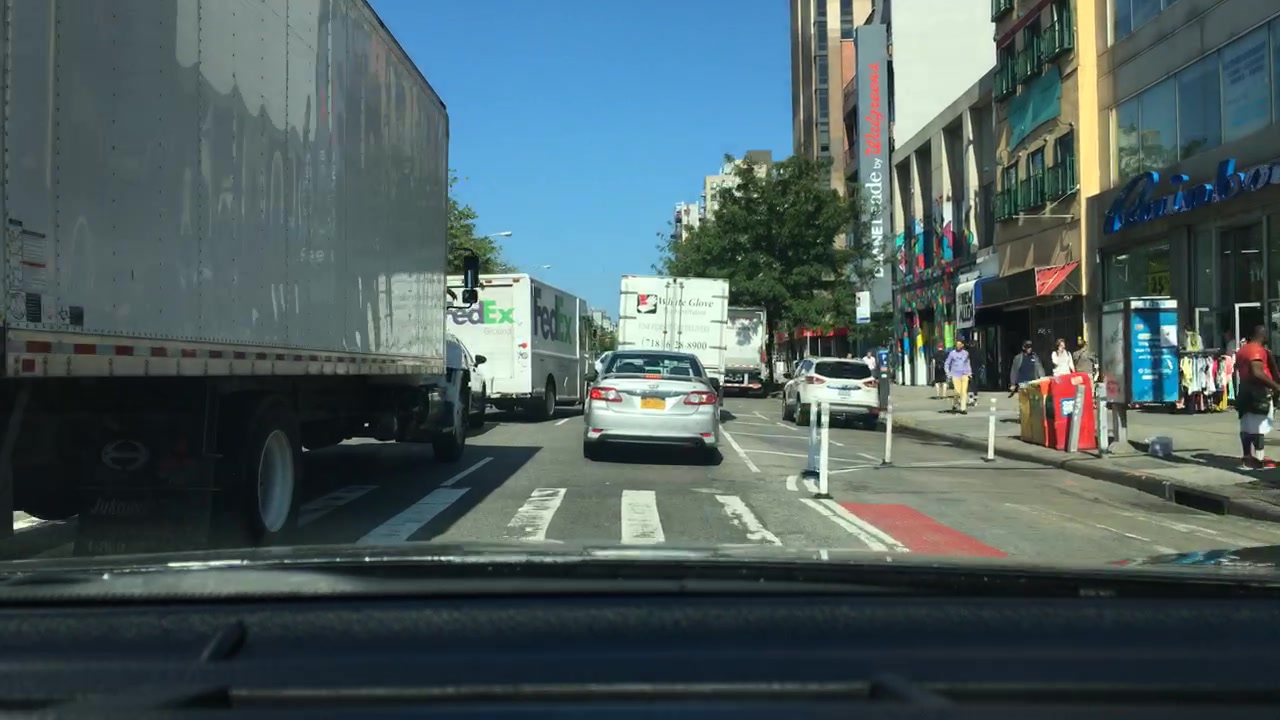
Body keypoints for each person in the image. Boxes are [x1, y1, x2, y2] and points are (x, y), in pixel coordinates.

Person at [1234, 324, 1280, 470]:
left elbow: (1238, 368)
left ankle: (1247, 457)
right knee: (1259, 427)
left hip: (1244, 390)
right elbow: (1257, 372)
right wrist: (1276, 387)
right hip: (1258, 392)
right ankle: (1259, 459)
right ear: (1263, 335)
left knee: (1246, 426)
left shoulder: (1242, 350)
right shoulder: (1256, 350)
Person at [945, 339, 973, 414]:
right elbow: (947, 363)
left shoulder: (965, 353)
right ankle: (955, 403)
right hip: (955, 375)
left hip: (964, 374)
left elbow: (967, 363)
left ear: (962, 345)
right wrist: (948, 373)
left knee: (963, 392)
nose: (958, 346)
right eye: (957, 344)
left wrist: (969, 373)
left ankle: (963, 408)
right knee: (957, 392)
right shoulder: (952, 353)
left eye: (959, 344)